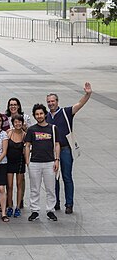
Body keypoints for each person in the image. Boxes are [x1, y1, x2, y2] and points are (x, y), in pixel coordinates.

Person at [46, 82, 92, 214]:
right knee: (53, 177)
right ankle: (56, 203)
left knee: (67, 176)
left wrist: (87, 94)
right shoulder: (46, 116)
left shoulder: (66, 112)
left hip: (65, 149)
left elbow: (79, 104)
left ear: (57, 101)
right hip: (51, 151)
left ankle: (69, 204)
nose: (51, 103)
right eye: (49, 102)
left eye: (53, 101)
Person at [25, 103, 60, 222]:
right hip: (35, 162)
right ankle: (35, 210)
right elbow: (27, 145)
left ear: (45, 114)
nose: (39, 116)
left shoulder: (53, 128)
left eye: (41, 113)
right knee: (34, 188)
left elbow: (57, 144)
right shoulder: (31, 130)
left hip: (50, 162)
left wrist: (57, 159)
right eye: (36, 114)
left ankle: (51, 210)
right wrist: (27, 161)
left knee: (51, 188)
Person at [6, 114, 26, 218]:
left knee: (19, 185)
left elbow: (28, 149)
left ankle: (18, 207)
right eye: (16, 122)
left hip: (20, 162)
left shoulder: (25, 135)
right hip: (9, 162)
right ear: (13, 123)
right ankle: (10, 206)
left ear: (22, 123)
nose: (18, 124)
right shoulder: (9, 133)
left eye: (19, 122)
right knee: (9, 186)